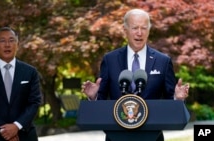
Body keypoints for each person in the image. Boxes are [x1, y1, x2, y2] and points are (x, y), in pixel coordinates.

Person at [81, 9, 190, 141]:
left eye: (144, 28)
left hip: (152, 137)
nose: (139, 33)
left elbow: (169, 100)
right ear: (125, 29)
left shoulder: (163, 61)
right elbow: (102, 100)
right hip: (116, 136)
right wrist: (94, 97)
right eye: (135, 28)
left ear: (149, 30)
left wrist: (177, 99)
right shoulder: (110, 59)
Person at [0, 27, 42, 141]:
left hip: (23, 135)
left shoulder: (30, 72)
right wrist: (4, 131)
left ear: (18, 45)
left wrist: (16, 126)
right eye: (2, 41)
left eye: (11, 40)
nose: (7, 44)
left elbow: (34, 102)